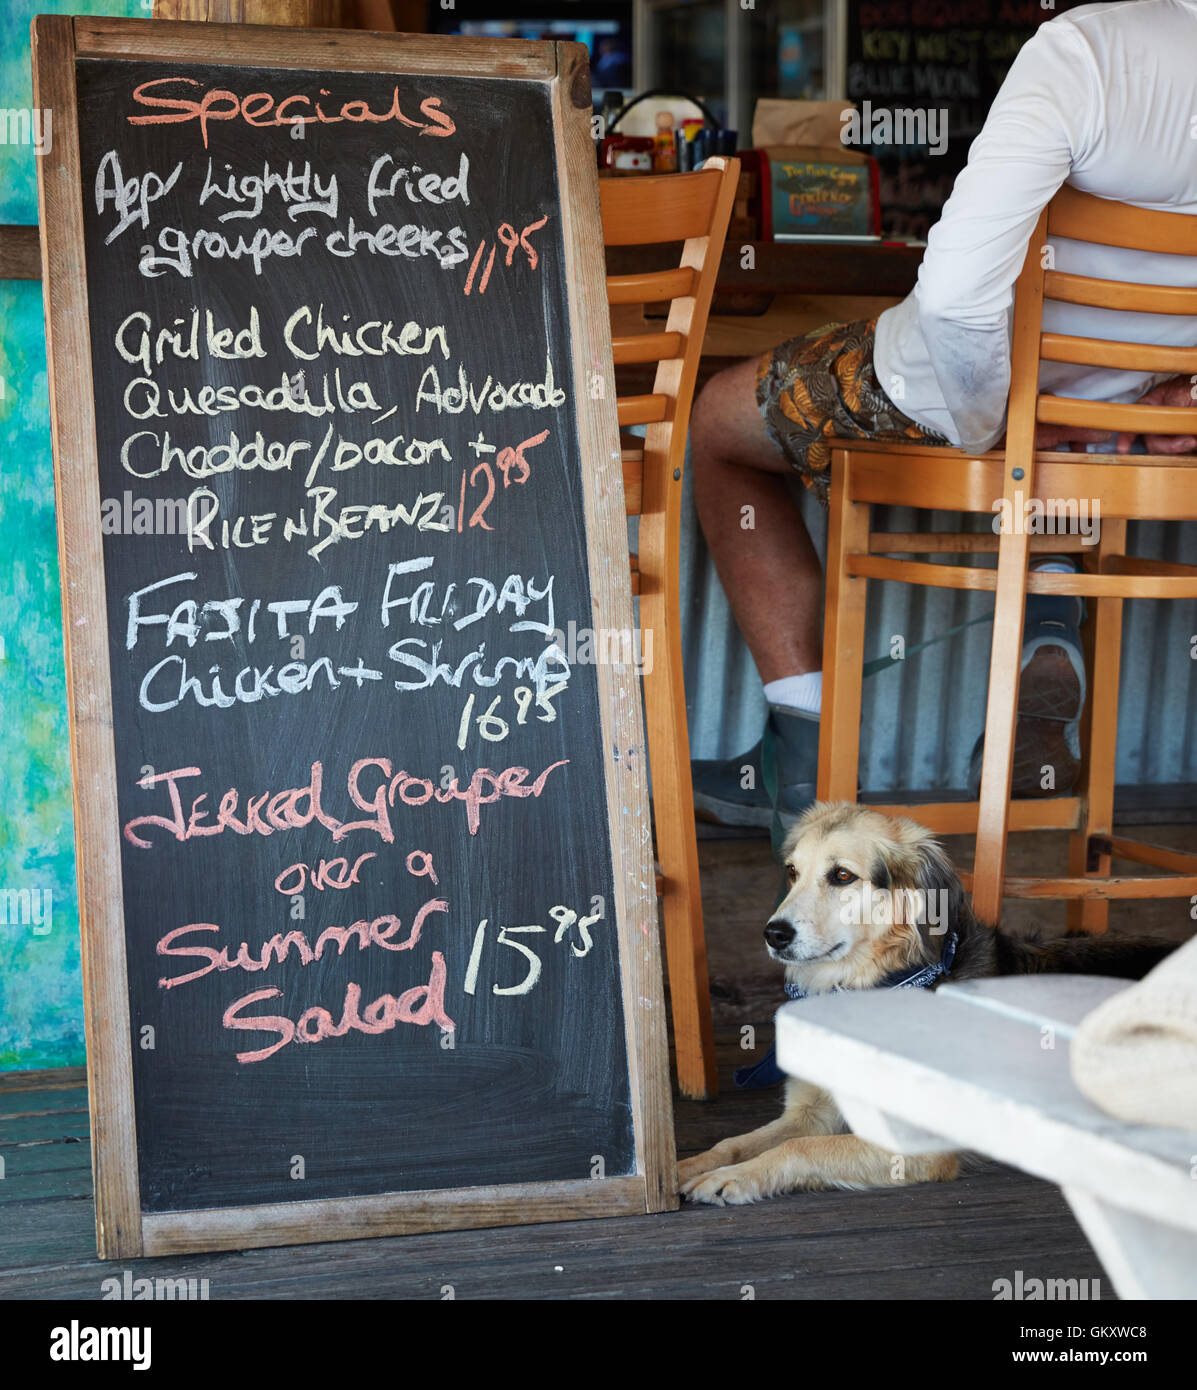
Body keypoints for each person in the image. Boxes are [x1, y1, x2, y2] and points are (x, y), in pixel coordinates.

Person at [689, 0, 1197, 829]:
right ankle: (1049, 605)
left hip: (976, 406)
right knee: (1062, 427)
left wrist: (990, 430)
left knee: (717, 423)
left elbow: (959, 302)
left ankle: (804, 764)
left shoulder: (1088, 50)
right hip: (1119, 428)